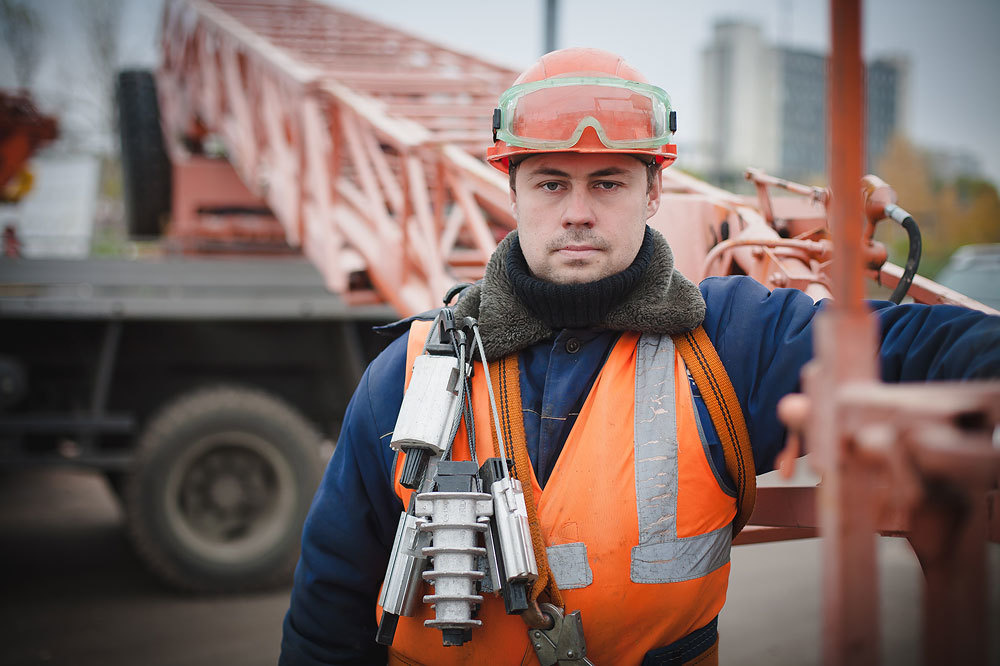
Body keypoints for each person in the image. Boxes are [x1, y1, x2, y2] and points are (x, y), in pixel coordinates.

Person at [280, 48, 999, 665]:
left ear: (654, 191)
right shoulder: (406, 376)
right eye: (551, 183)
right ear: (514, 194)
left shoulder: (730, 341)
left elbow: (911, 346)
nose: (578, 212)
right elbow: (330, 609)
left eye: (608, 183)